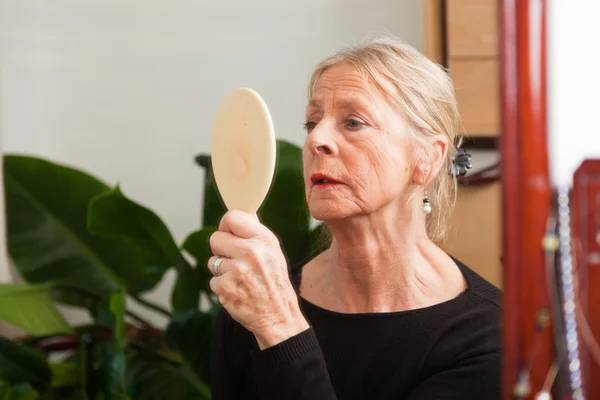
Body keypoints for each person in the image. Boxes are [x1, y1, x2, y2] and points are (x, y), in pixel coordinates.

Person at [207, 36, 501, 399]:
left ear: (427, 158)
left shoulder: (486, 338)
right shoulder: (251, 305)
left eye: (353, 122)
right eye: (312, 122)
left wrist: (280, 327)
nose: (317, 140)